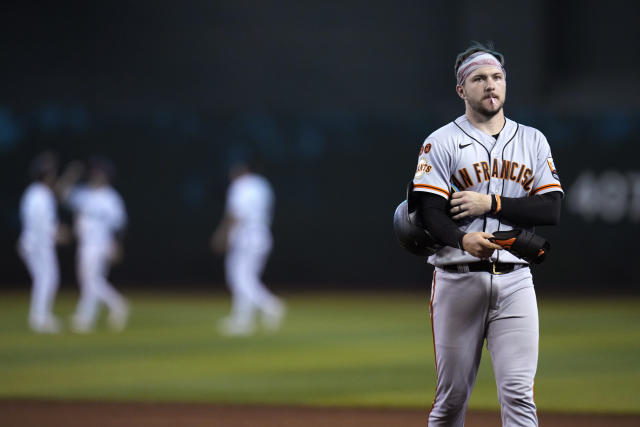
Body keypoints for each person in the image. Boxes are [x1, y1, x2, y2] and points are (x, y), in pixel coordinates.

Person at [412, 42, 563, 426]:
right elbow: (428, 212)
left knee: (519, 396)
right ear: (462, 90)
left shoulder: (533, 140)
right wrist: (463, 240)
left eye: (497, 77)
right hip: (457, 281)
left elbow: (551, 209)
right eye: (479, 78)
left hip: (515, 282)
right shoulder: (440, 142)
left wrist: (491, 204)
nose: (490, 85)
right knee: (451, 400)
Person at [211, 160, 285, 336]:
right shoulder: (262, 184)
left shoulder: (241, 186)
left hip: (245, 234)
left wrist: (222, 235)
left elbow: (235, 213)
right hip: (262, 233)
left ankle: (271, 305)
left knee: (240, 279)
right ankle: (243, 320)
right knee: (247, 278)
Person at [57, 157, 129, 333]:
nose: (96, 175)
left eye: (100, 172)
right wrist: (71, 175)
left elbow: (120, 224)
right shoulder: (84, 194)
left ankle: (118, 304)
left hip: (101, 244)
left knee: (90, 280)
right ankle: (86, 318)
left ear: (107, 176)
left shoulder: (112, 198)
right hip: (85, 243)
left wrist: (117, 245)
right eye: (95, 172)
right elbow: (61, 193)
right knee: (90, 281)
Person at [17, 151, 69, 333]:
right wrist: (57, 233)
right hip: (38, 243)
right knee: (46, 279)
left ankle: (40, 316)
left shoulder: (34, 193)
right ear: (46, 175)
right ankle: (39, 317)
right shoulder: (40, 195)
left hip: (33, 242)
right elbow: (42, 223)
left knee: (46, 279)